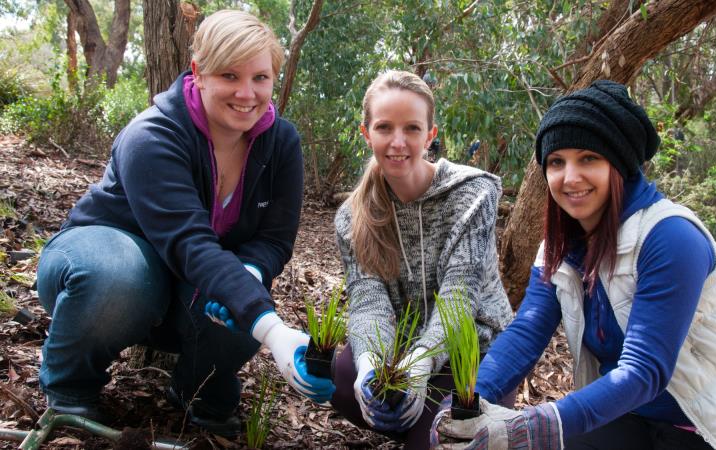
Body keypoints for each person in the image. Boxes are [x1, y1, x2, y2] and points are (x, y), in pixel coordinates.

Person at [35, 10, 333, 438]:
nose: (247, 93)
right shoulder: (153, 136)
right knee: (119, 277)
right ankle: (70, 390)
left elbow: (274, 239)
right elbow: (190, 244)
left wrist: (249, 272)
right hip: (102, 265)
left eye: (261, 78)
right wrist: (274, 330)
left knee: (241, 298)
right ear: (199, 72)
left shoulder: (281, 142)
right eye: (229, 75)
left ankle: (198, 393)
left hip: (185, 285)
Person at [430, 80, 716, 449]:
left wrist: (530, 427)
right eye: (556, 162)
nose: (570, 177)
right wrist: (464, 404)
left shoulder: (670, 238)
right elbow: (526, 333)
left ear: (619, 165)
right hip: (631, 419)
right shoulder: (561, 247)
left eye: (588, 158)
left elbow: (643, 372)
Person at [331, 70, 514, 449]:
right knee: (344, 376)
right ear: (366, 134)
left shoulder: (472, 194)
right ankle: (407, 420)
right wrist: (371, 365)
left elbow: (458, 301)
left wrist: (418, 367)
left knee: (440, 438)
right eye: (384, 128)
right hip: (404, 343)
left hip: (474, 350)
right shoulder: (352, 216)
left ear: (430, 135)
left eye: (412, 128)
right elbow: (368, 301)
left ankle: (425, 425)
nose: (398, 142)